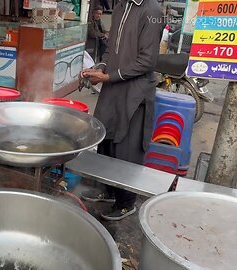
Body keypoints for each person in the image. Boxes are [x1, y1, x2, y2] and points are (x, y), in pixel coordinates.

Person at [79, 0, 163, 221]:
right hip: (113, 86)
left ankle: (126, 202)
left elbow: (147, 61)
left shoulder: (151, 10)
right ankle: (108, 190)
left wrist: (109, 76)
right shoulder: (119, 8)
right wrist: (100, 67)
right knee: (106, 137)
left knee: (127, 147)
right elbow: (111, 50)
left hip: (135, 90)